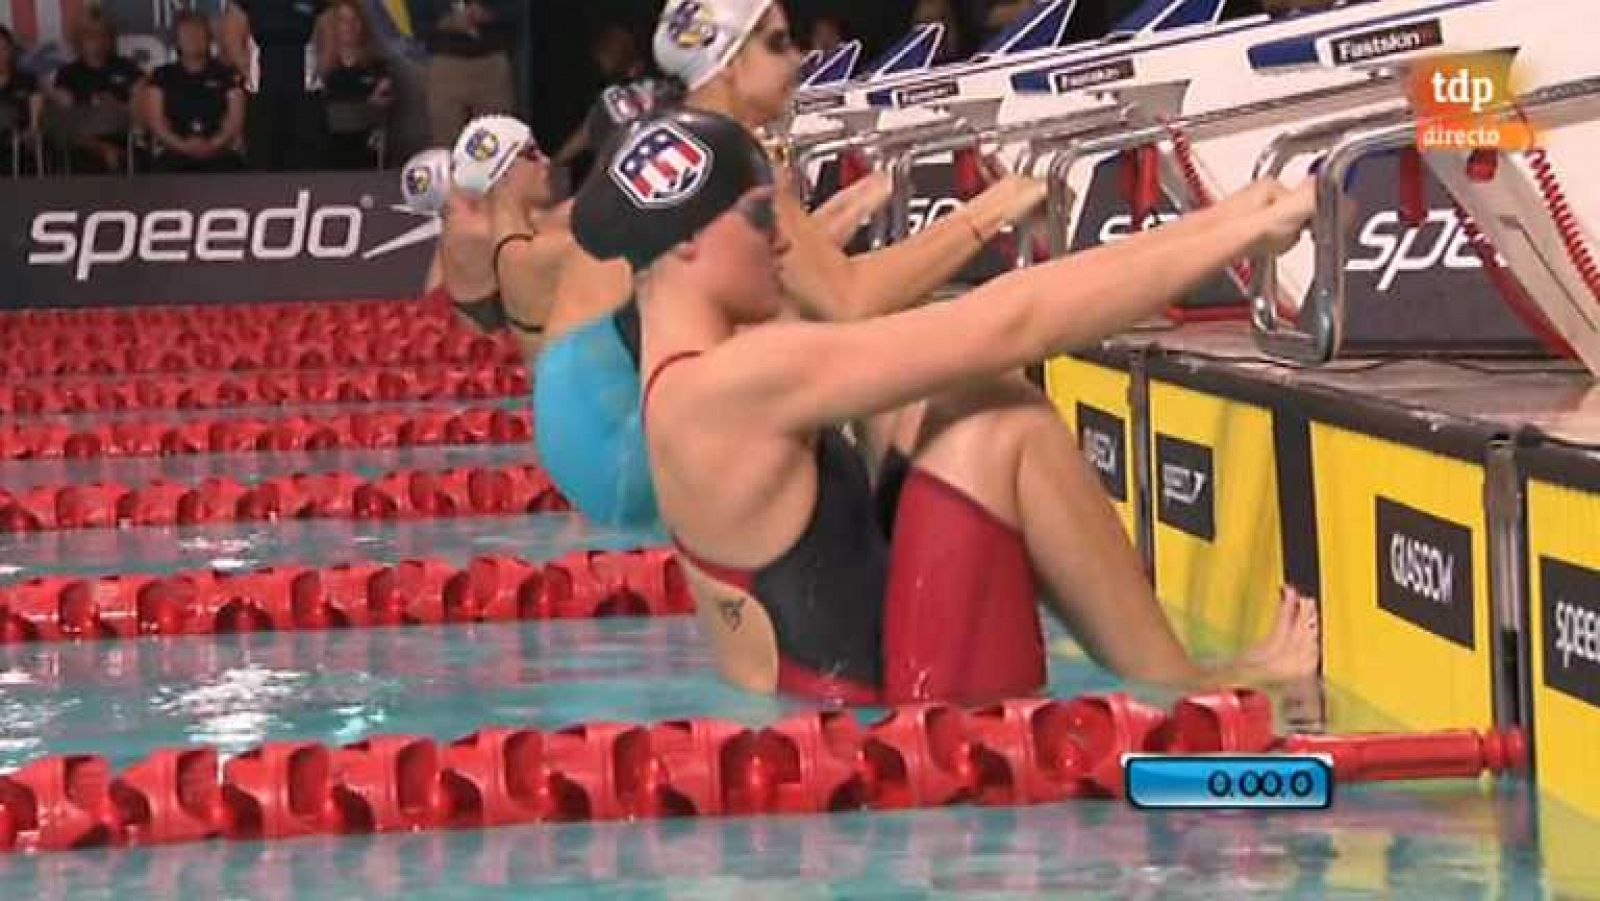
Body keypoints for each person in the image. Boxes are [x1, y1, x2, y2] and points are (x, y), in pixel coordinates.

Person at [573, 107, 1323, 704]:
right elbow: (1007, 324)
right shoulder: (727, 384)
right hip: (880, 762)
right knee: (1001, 420)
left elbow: (936, 325)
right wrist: (1233, 232)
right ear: (688, 243)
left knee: (949, 397)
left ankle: (1173, 678)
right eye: (764, 217)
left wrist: (1223, 225)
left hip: (851, 735)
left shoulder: (689, 378)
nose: (784, 244)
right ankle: (1182, 689)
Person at [221, 0, 328, 170]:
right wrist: (249, 71)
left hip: (305, 93)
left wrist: (316, 74)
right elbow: (232, 37)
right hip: (262, 93)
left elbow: (329, 39)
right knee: (263, 158)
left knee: (307, 160)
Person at [145, 12, 246, 174]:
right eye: (186, 34)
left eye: (198, 32)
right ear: (177, 41)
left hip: (219, 152)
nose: (193, 38)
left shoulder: (227, 75)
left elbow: (235, 119)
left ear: (209, 38)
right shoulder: (162, 76)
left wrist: (213, 145)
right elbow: (156, 122)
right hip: (174, 150)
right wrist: (183, 146)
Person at [49, 8, 144, 174]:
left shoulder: (127, 67)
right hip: (83, 139)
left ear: (110, 38)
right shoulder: (68, 73)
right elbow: (65, 113)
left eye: (102, 35)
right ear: (79, 41)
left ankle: (108, 150)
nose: (97, 42)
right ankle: (104, 150)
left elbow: (141, 101)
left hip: (121, 133)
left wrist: (119, 107)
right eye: (90, 37)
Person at [412, 0, 516, 147]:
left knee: (497, 141)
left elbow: (515, 11)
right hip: (446, 65)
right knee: (446, 141)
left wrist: (488, 14)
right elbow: (419, 26)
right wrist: (449, 22)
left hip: (491, 64)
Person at [318, 0, 395, 169]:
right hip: (329, 149)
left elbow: (385, 101)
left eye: (355, 20)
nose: (349, 26)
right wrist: (365, 100)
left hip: (366, 145)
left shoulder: (377, 64)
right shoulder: (323, 67)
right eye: (343, 20)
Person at [0, 25, 44, 176]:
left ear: (11, 50)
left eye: (4, 48)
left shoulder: (27, 80)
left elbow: (36, 107)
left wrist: (33, 127)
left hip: (19, 141)